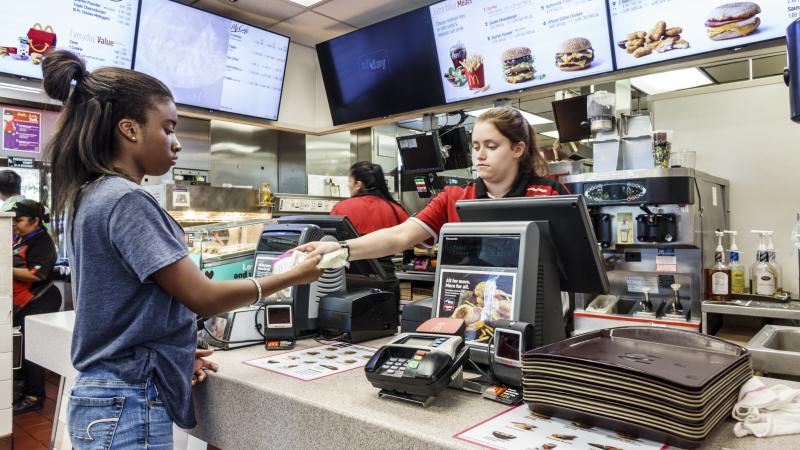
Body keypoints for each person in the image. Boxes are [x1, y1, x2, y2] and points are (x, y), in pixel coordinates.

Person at [41, 50, 323, 449]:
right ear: (130, 129)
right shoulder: (126, 200)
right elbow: (203, 298)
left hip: (112, 396)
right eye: (168, 128)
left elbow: (124, 307)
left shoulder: (92, 194)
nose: (175, 144)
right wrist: (294, 275)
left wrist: (171, 355)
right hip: (128, 402)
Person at [299, 106, 568, 262]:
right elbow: (398, 236)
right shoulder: (454, 197)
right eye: (475, 146)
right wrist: (341, 249)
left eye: (492, 146)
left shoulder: (548, 193)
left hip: (535, 313)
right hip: (468, 310)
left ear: (518, 149)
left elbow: (572, 260)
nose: (480, 155)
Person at [331, 161, 409, 312]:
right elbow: (415, 241)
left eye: (349, 181)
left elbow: (331, 241)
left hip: (349, 279)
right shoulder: (395, 209)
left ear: (358, 184)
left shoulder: (341, 207)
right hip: (385, 278)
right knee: (388, 329)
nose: (348, 185)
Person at [11, 199, 60, 414]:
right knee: (20, 346)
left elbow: (35, 274)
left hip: (40, 299)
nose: (15, 223)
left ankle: (34, 396)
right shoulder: (19, 238)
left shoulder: (42, 242)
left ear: (35, 221)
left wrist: (4, 266)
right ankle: (23, 386)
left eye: (19, 220)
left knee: (32, 349)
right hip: (23, 301)